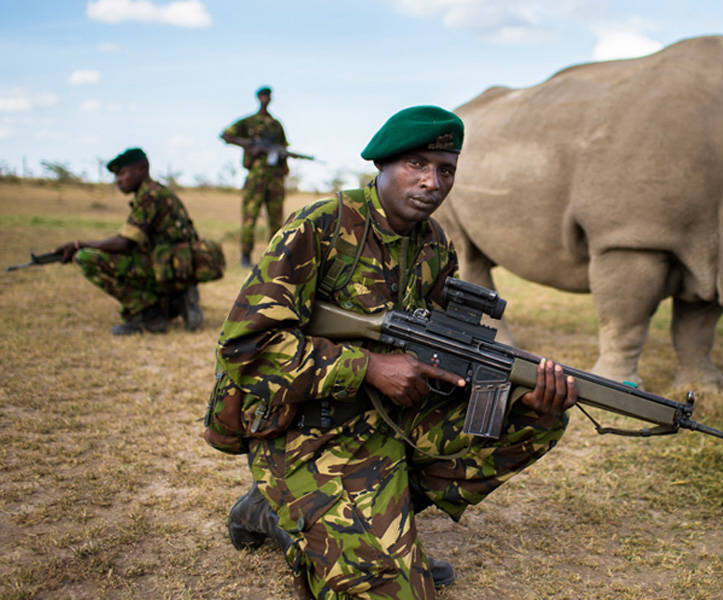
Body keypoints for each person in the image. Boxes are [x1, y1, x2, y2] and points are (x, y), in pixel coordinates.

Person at [215, 106, 576, 599]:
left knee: (536, 418)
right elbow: (245, 346)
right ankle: (285, 513)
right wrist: (367, 367)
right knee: (396, 592)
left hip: (386, 424)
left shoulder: (434, 245)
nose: (433, 182)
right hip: (305, 432)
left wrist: (516, 392)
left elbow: (433, 349)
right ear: (382, 164)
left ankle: (380, 520)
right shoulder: (320, 227)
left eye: (445, 169)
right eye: (416, 164)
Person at [54, 147, 206, 335]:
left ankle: (147, 314)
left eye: (122, 173)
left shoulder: (150, 196)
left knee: (85, 257)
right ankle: (173, 301)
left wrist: (79, 245)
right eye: (116, 175)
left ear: (142, 168)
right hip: (174, 266)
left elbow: (125, 243)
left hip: (166, 267)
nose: (118, 180)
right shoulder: (159, 192)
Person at [220, 85, 290, 268]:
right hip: (256, 177)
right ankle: (245, 257)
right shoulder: (249, 122)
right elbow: (226, 135)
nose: (265, 99)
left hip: (275, 179)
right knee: (250, 217)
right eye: (263, 96)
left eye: (268, 96)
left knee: (276, 219)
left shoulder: (276, 125)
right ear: (258, 98)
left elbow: (284, 148)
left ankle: (274, 258)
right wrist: (249, 146)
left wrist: (285, 164)